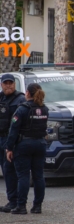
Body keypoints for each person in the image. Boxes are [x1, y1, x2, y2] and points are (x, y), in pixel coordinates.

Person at [5, 83, 49, 214]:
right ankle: (37, 206)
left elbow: (13, 130)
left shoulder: (22, 109)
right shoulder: (45, 109)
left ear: (27, 94)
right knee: (39, 176)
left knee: (23, 176)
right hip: (40, 144)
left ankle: (21, 206)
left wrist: (9, 148)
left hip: (24, 145)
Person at [0, 74, 26, 213]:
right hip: (1, 137)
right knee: (5, 170)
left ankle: (14, 201)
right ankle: (12, 200)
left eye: (11, 83)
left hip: (11, 139)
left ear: (14, 84)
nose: (8, 85)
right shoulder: (0, 98)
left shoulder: (20, 99)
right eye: (6, 83)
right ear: (1, 84)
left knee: (10, 170)